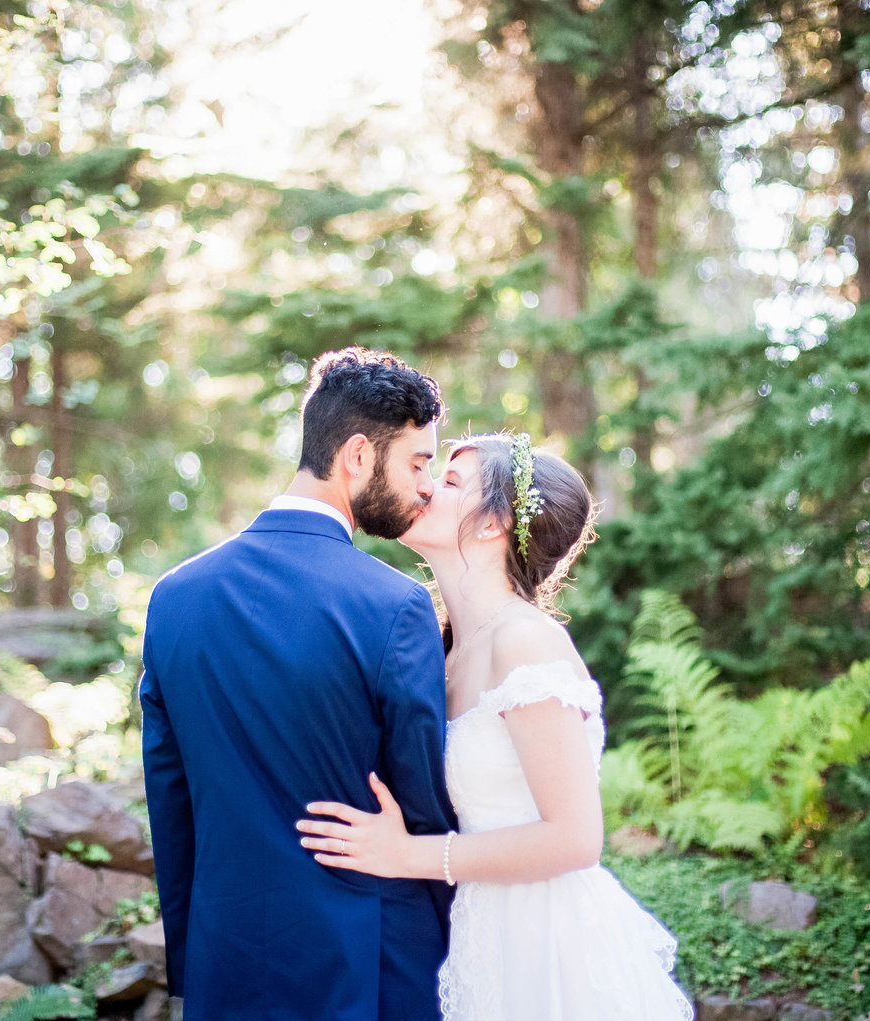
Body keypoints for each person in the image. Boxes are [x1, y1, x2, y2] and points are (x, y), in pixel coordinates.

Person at [297, 432, 692, 1021]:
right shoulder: (441, 650)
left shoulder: (527, 642)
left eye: (451, 482)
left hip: (549, 948)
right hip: (481, 932)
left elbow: (576, 839)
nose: (425, 486)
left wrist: (407, 856)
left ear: (493, 525)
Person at [140, 347, 456, 1021]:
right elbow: (423, 801)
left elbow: (172, 803)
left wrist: (191, 960)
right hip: (368, 963)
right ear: (359, 456)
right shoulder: (394, 606)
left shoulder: (174, 597)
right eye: (419, 463)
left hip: (224, 962)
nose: (426, 486)